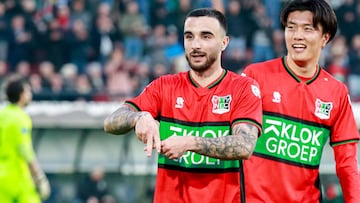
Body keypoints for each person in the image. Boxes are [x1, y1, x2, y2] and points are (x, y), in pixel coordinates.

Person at [104, 8, 263, 203]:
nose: (195, 45)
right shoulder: (165, 86)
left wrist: (190, 143)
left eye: (206, 36)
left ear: (224, 43)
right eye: (189, 37)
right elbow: (111, 122)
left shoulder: (243, 88)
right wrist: (138, 117)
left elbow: (244, 146)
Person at [242, 0, 360, 202]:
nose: (297, 35)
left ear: (325, 38)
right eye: (291, 27)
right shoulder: (255, 76)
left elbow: (347, 163)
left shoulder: (336, 92)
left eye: (307, 29)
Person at [0, 76, 51, 203]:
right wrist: (40, 178)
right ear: (21, 95)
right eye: (28, 91)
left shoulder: (2, 114)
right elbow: (25, 150)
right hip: (17, 177)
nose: (30, 94)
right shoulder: (21, 118)